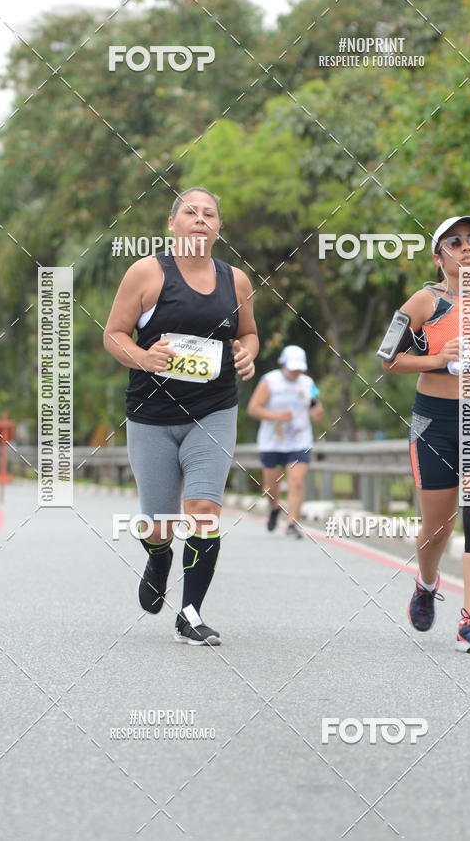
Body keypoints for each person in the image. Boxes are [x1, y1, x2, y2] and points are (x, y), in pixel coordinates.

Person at [104, 187, 258, 645]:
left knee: (205, 510)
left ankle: (189, 614)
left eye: (209, 213)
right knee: (159, 524)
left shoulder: (237, 281)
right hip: (151, 416)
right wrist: (142, 358)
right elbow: (114, 335)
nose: (200, 219)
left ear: (218, 228)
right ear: (171, 223)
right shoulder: (147, 273)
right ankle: (157, 555)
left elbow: (249, 335)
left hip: (213, 411)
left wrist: (247, 355)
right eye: (190, 212)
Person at [379, 215, 470, 654]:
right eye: (455, 243)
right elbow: (388, 359)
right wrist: (437, 359)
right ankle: (426, 583)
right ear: (439, 257)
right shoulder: (424, 301)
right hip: (435, 419)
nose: (467, 249)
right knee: (437, 528)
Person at [247, 345, 324, 539]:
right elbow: (253, 409)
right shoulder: (270, 381)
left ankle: (292, 524)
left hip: (299, 440)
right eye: (292, 367)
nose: (295, 371)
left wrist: (317, 411)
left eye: (299, 367)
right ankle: (274, 508)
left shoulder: (307, 382)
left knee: (296, 482)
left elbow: (315, 404)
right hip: (272, 442)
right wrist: (276, 416)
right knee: (271, 488)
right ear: (282, 364)